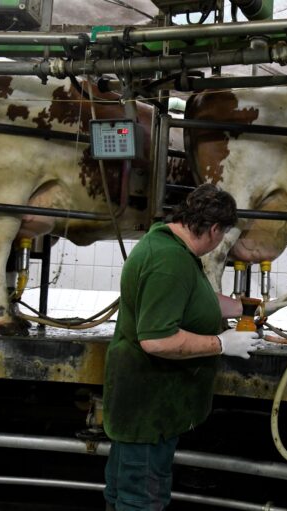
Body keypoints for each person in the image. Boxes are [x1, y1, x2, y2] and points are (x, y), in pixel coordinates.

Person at [102, 183, 263, 511]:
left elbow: (197, 299)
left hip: (146, 410)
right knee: (141, 501)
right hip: (148, 410)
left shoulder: (171, 248)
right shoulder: (168, 261)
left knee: (126, 495)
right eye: (223, 237)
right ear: (215, 229)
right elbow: (157, 340)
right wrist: (221, 343)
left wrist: (249, 309)